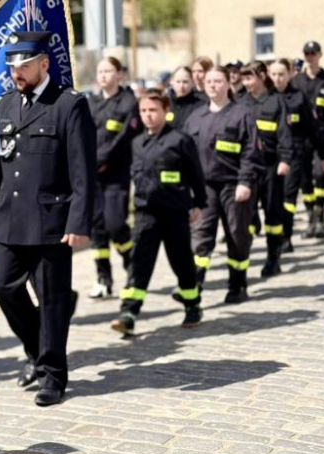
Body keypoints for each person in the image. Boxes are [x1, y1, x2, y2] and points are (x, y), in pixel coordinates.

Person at [0, 31, 95, 406]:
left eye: (25, 66)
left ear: (44, 64)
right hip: (9, 221)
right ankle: (36, 348)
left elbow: (82, 172)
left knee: (51, 300)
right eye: (13, 66)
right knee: (2, 286)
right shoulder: (4, 105)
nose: (17, 73)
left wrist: (79, 222)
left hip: (51, 221)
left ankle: (53, 375)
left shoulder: (68, 105)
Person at [111, 91, 206, 334]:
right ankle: (129, 312)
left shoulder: (180, 140)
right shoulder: (136, 143)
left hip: (174, 212)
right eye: (143, 111)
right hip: (145, 213)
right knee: (139, 261)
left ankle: (192, 303)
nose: (148, 116)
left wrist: (199, 204)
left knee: (182, 261)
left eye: (153, 110)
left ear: (166, 110)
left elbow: (196, 175)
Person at [183, 66, 261, 303]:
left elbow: (251, 151)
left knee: (237, 234)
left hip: (233, 185)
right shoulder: (195, 117)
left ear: (228, 83)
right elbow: (184, 153)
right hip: (204, 188)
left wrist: (245, 182)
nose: (213, 85)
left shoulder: (242, 114)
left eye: (218, 81)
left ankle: (238, 284)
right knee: (200, 235)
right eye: (209, 81)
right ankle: (194, 285)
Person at [87, 57, 141, 299]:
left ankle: (131, 262)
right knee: (97, 228)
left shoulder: (128, 103)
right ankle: (103, 278)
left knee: (115, 224)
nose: (103, 75)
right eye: (100, 71)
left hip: (115, 174)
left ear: (119, 74)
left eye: (108, 71)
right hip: (91, 175)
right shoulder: (90, 102)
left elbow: (123, 138)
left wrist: (102, 159)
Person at [269, 59, 324, 251]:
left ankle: (286, 237)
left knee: (289, 196)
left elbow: (313, 129)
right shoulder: (264, 98)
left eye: (281, 74)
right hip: (269, 155)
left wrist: (323, 153)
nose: (277, 79)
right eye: (274, 74)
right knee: (273, 198)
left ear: (290, 75)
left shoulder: (299, 98)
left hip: (295, 154)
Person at [238, 61, 292, 276]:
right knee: (246, 214)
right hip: (248, 168)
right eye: (243, 78)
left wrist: (285, 160)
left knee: (272, 212)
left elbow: (285, 134)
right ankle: (244, 253)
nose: (246, 83)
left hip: (270, 166)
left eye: (249, 78)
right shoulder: (240, 103)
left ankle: (273, 257)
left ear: (261, 76)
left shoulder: (276, 102)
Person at [291, 41, 324, 238]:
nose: (310, 57)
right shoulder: (297, 82)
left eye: (313, 53)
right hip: (301, 137)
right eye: (307, 53)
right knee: (304, 179)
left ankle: (320, 215)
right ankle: (311, 217)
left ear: (320, 55)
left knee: (320, 174)